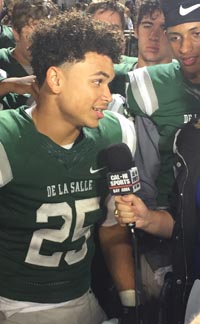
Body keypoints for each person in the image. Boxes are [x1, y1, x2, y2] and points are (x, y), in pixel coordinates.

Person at [0, 11, 137, 324]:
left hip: (84, 297)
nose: (108, 95)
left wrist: (131, 304)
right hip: (15, 305)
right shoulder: (6, 140)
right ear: (55, 79)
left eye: (109, 82)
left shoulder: (116, 134)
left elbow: (112, 225)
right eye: (97, 82)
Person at [114, 1, 200, 322]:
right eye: (175, 37)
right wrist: (149, 221)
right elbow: (146, 172)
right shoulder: (150, 86)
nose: (185, 47)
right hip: (170, 233)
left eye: (196, 33)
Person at [0, 0, 59, 110]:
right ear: (16, 33)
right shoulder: (2, 60)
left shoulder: (61, 63)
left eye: (49, 37)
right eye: (33, 38)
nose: (42, 44)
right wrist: (8, 86)